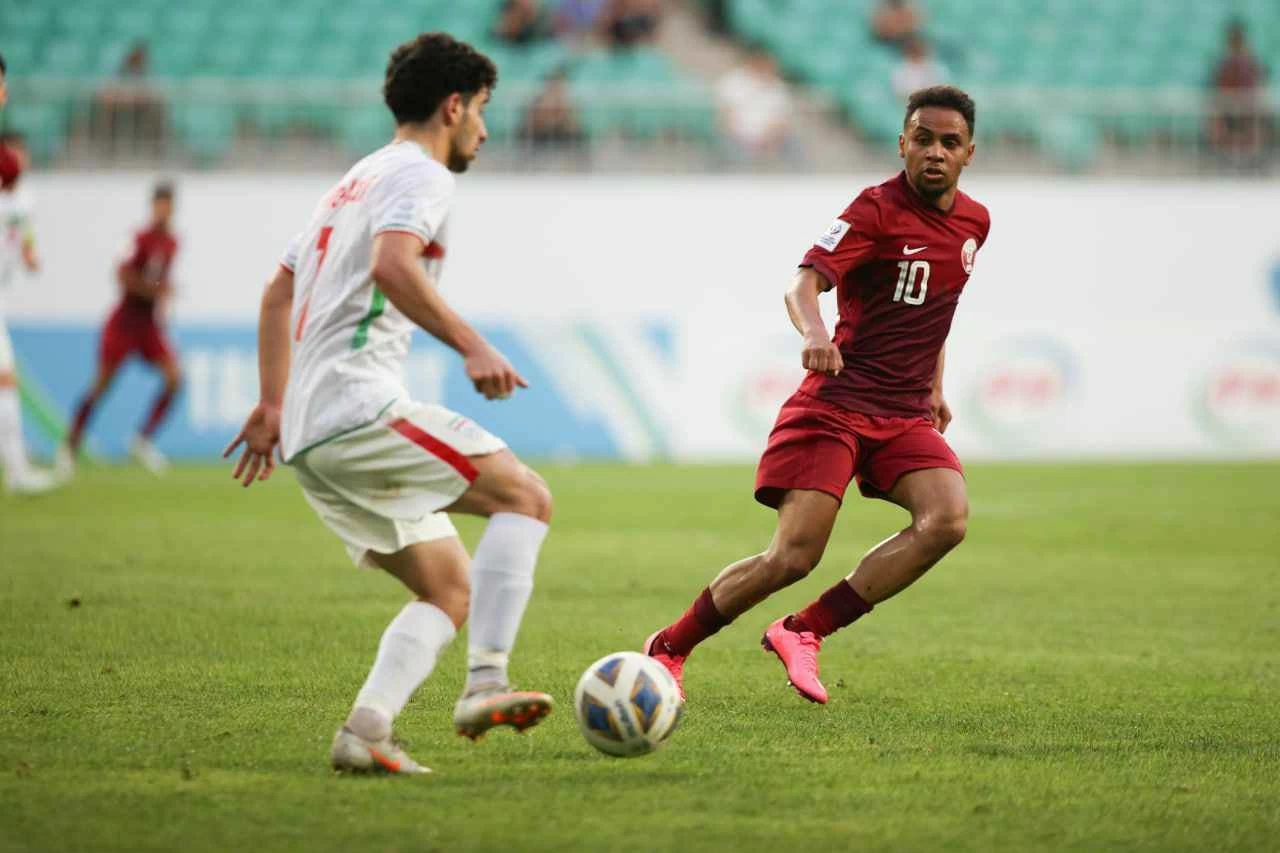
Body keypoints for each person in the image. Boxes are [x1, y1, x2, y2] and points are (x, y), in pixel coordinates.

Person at [223, 32, 555, 775]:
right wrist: (472, 343)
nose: (485, 130)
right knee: (526, 497)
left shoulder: (353, 179)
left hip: (311, 430)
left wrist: (274, 404)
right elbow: (392, 264)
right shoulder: (423, 177)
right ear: (453, 105)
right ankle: (486, 684)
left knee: (447, 586)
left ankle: (366, 729)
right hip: (357, 406)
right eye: (482, 111)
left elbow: (279, 290)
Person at [644, 85, 990, 705]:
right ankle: (670, 645)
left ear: (969, 153)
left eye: (949, 142)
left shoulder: (974, 223)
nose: (934, 152)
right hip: (836, 404)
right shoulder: (873, 210)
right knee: (794, 556)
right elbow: (802, 283)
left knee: (948, 520)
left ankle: (804, 630)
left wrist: (936, 383)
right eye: (923, 139)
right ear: (902, 143)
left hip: (904, 411)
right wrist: (815, 332)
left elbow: (937, 307)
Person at [60, 183, 182, 475]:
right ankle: (69, 446)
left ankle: (142, 439)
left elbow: (160, 282)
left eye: (168, 205)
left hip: (148, 325)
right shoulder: (138, 238)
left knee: (175, 378)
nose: (164, 210)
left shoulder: (172, 243)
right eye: (160, 204)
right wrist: (157, 291)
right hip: (124, 321)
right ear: (153, 206)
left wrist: (163, 303)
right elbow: (123, 275)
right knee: (101, 385)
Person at [0, 66, 60, 495]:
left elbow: (24, 236)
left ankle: (18, 468)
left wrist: (29, 254)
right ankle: (18, 470)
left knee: (5, 380)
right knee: (5, 380)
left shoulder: (21, 191)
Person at [1207, 20, 1271, 169]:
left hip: (1248, 109)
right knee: (1214, 119)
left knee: (1262, 118)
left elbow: (1260, 87)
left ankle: (1256, 159)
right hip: (1228, 110)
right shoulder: (1223, 65)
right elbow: (1216, 90)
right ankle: (1223, 157)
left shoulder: (1252, 64)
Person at [716, 46, 794, 163]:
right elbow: (725, 116)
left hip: (770, 139)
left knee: (793, 146)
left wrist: (768, 138)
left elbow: (782, 121)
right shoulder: (733, 82)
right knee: (732, 149)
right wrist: (744, 139)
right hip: (737, 138)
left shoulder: (778, 87)